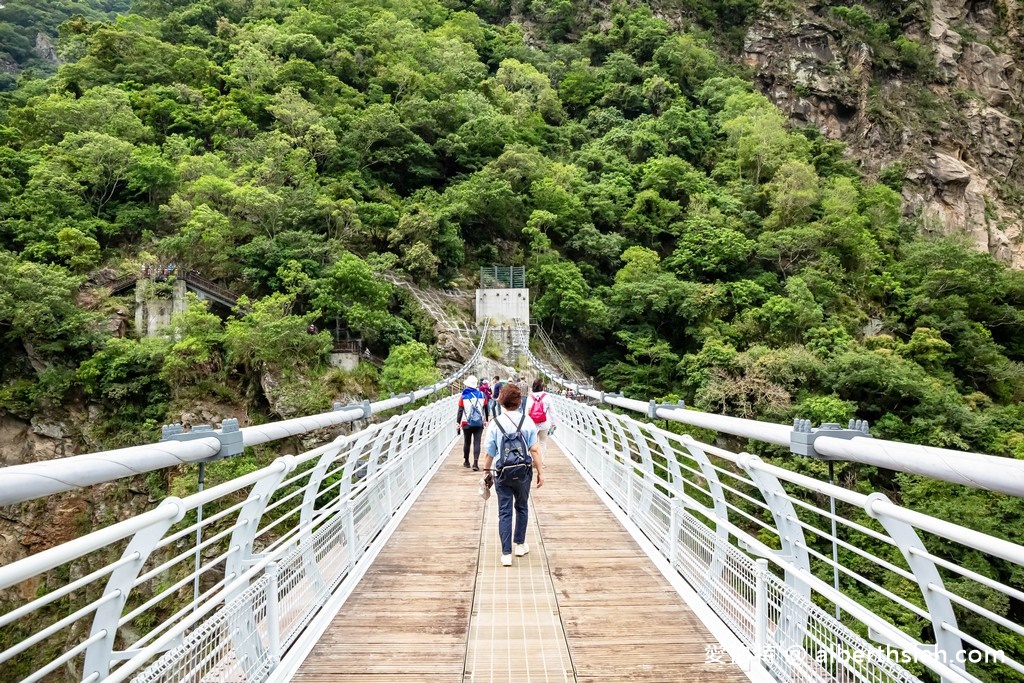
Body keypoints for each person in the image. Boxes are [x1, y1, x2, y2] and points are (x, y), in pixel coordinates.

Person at [482, 383, 543, 566]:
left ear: (501, 402)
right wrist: (540, 471)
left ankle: (506, 554)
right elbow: (535, 450)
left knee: (504, 511)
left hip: (502, 472)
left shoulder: (495, 423)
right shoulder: (528, 422)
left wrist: (486, 475)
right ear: (519, 402)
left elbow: (489, 453)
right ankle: (520, 544)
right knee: (522, 507)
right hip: (523, 472)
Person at [456, 375, 488, 471]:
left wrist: (458, 423)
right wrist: (485, 420)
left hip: (466, 422)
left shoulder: (464, 396)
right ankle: (475, 463)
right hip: (479, 422)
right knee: (477, 442)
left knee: (467, 442)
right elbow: (486, 408)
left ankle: (466, 461)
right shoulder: (482, 395)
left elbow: (460, 410)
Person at [525, 378, 554, 457]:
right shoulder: (547, 396)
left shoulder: (530, 397)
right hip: (544, 423)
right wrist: (553, 423)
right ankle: (541, 462)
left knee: (531, 443)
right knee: (542, 443)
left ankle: (532, 460)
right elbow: (552, 411)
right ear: (543, 387)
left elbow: (526, 412)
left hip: (532, 423)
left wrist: (526, 424)